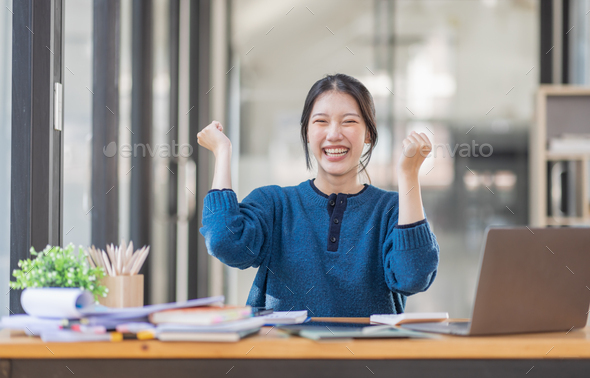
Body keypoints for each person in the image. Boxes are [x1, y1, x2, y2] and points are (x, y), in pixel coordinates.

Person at [197, 73, 439, 317]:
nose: (334, 134)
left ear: (368, 133)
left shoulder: (392, 210)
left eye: (349, 122)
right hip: (283, 352)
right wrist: (222, 152)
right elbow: (223, 241)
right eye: (321, 121)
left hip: (367, 353)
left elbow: (413, 276)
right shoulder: (274, 204)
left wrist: (408, 175)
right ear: (307, 133)